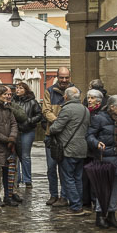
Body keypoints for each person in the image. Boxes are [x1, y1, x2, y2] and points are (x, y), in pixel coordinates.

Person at [86, 94, 117, 229]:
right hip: (105, 158)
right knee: (103, 189)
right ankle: (100, 215)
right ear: (112, 107)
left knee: (116, 189)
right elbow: (89, 135)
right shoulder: (99, 118)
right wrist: (96, 143)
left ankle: (111, 214)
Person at [48, 86, 91, 215]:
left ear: (65, 97)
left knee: (68, 178)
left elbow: (55, 128)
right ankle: (78, 203)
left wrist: (52, 125)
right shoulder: (85, 110)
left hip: (68, 148)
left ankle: (76, 206)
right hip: (81, 148)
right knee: (78, 178)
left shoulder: (67, 109)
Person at [42, 68, 74, 205]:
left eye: (66, 77)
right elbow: (46, 110)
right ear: (57, 77)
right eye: (61, 77)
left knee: (65, 169)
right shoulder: (49, 91)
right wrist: (59, 122)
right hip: (52, 135)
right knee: (51, 167)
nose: (64, 80)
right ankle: (53, 194)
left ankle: (64, 196)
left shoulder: (75, 91)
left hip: (68, 136)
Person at [13, 82, 42, 190]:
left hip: (27, 131)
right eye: (17, 88)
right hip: (15, 131)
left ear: (25, 90)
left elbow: (39, 114)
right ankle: (16, 179)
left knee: (25, 155)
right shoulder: (13, 101)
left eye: (20, 88)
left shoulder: (32, 102)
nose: (17, 90)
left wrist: (30, 121)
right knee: (15, 156)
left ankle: (27, 180)